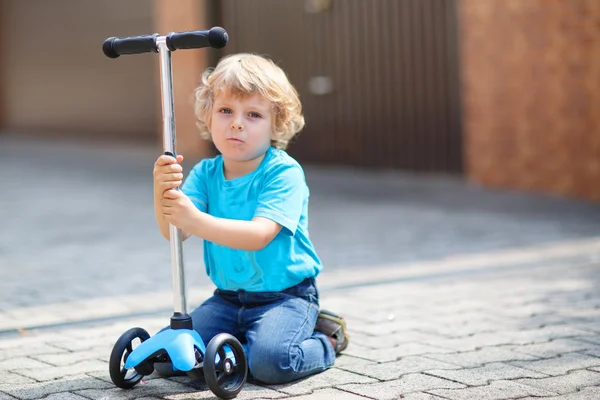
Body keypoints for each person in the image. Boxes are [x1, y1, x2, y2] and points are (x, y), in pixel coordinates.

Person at [152, 53, 349, 384]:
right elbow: (175, 232)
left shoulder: (283, 172)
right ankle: (241, 345)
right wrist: (162, 192)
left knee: (272, 364)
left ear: (276, 124)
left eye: (253, 114)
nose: (237, 122)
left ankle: (327, 339)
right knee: (170, 358)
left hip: (284, 297)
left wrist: (195, 220)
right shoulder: (205, 173)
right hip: (228, 299)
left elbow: (259, 235)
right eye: (226, 110)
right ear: (209, 116)